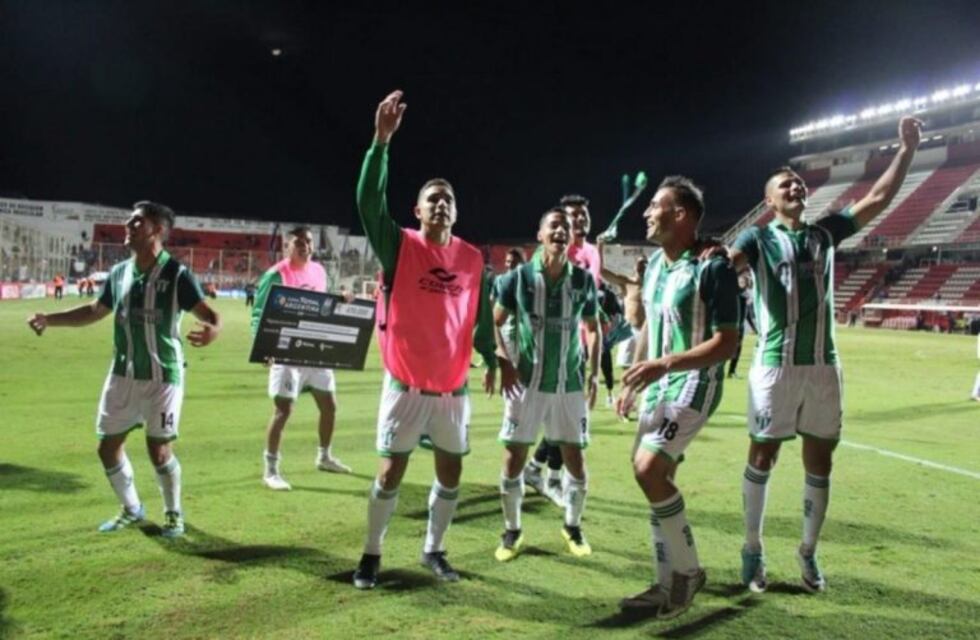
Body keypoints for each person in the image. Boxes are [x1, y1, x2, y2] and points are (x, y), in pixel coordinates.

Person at [730, 117, 921, 593]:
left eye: (796, 181)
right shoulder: (756, 239)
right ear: (769, 201)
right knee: (763, 454)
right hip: (774, 366)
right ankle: (752, 548)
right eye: (783, 184)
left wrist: (907, 152)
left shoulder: (826, 233)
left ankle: (808, 553)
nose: (794, 185)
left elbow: (877, 199)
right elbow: (724, 266)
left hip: (822, 367)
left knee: (821, 462)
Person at [351, 90, 497, 589]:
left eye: (448, 199)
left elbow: (477, 320)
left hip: (453, 392)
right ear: (417, 210)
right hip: (406, 388)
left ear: (456, 212)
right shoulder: (400, 246)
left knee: (451, 474)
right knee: (390, 473)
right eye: (433, 198)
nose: (441, 204)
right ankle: (371, 553)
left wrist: (494, 357)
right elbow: (369, 202)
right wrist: (381, 143)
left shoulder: (473, 260)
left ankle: (434, 549)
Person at [26, 201, 221, 538]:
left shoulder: (176, 274)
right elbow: (93, 311)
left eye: (136, 222)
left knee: (158, 450)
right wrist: (49, 319)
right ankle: (132, 508)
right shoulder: (119, 274)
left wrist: (213, 330)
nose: (127, 226)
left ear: (156, 230)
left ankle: (174, 514)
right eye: (128, 221)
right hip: (122, 374)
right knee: (107, 447)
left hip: (163, 375)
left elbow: (210, 315)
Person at [616, 177, 738, 618]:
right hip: (659, 384)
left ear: (681, 215)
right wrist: (634, 378)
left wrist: (664, 365)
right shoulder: (658, 267)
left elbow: (727, 343)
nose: (647, 213)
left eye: (654, 206)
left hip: (694, 383)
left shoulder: (713, 267)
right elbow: (649, 324)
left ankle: (687, 572)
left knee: (650, 469)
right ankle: (665, 581)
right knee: (650, 477)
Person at [494, 208, 600, 562]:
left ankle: (572, 526)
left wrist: (594, 374)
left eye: (565, 228)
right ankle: (512, 531)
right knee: (514, 461)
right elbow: (493, 322)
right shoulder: (519, 278)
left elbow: (593, 328)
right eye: (553, 226)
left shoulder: (583, 281)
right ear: (540, 235)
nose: (560, 231)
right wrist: (503, 361)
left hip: (568, 386)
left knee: (576, 462)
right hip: (526, 386)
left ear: (570, 238)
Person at [251, 226, 352, 492]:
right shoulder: (276, 275)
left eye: (308, 241)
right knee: (283, 410)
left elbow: (320, 305)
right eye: (299, 242)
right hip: (286, 350)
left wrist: (339, 300)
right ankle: (271, 470)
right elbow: (258, 313)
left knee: (329, 405)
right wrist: (264, 347)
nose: (305, 246)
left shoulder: (319, 271)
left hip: (315, 349)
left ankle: (324, 456)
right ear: (287, 246)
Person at [523, 194, 602, 506]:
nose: (579, 221)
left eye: (583, 215)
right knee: (556, 421)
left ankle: (538, 472)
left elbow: (591, 291)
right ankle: (546, 476)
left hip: (578, 349)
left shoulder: (593, 252)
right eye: (572, 216)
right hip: (546, 352)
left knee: (566, 420)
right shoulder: (549, 254)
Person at [728, 273, 757, 378]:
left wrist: (754, 328)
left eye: (744, 281)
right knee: (726, 348)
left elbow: (748, 314)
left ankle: (732, 371)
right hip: (732, 326)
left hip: (740, 327)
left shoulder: (746, 295)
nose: (743, 283)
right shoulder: (735, 294)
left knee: (738, 348)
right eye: (741, 281)